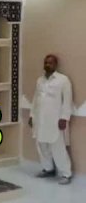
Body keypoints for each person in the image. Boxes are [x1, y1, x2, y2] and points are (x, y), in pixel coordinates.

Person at [29, 54, 73, 184]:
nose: (47, 65)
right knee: (42, 145)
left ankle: (66, 174)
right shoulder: (40, 80)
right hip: (40, 119)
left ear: (56, 65)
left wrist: (64, 118)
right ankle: (48, 169)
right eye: (46, 63)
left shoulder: (63, 80)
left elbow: (67, 101)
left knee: (57, 146)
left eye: (50, 63)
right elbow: (35, 99)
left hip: (55, 120)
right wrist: (32, 115)